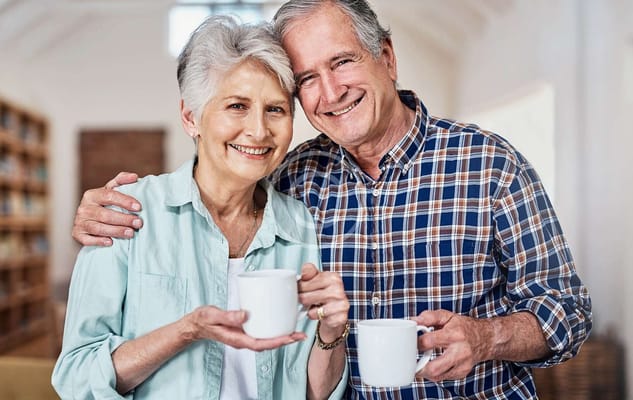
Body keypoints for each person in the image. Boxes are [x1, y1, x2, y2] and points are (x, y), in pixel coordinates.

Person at [71, 1, 593, 398]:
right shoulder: (293, 182)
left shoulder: (490, 163)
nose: (331, 92)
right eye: (306, 81)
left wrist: (485, 339)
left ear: (386, 58)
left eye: (342, 62)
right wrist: (100, 212)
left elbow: (568, 312)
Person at [53, 15, 350, 400]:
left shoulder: (300, 225)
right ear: (191, 117)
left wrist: (330, 334)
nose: (258, 131)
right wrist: (185, 331)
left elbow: (310, 393)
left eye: (275, 109)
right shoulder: (125, 213)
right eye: (237, 106)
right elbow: (76, 377)